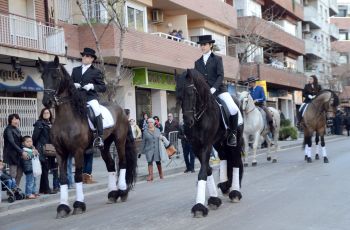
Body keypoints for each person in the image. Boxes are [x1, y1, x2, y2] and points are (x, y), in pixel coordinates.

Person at [194, 35, 240, 146]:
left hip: (219, 89)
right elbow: (197, 79)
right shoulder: (197, 63)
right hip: (204, 93)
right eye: (201, 45)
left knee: (233, 108)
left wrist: (213, 88)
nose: (202, 47)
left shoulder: (217, 59)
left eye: (204, 44)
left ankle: (232, 134)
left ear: (210, 45)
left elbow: (220, 76)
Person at [72, 47, 106, 148]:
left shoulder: (96, 71)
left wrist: (92, 86)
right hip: (77, 98)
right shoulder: (75, 70)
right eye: (83, 55)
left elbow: (103, 87)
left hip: (90, 98)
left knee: (96, 111)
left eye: (87, 56)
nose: (84, 57)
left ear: (92, 59)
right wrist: (73, 84)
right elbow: (69, 83)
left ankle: (100, 137)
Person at [32, 108, 58, 194]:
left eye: (48, 112)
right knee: (45, 168)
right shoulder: (39, 123)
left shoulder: (51, 123)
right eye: (45, 113)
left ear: (50, 114)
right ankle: (46, 189)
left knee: (46, 168)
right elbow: (35, 137)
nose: (46, 114)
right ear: (42, 114)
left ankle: (42, 189)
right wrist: (35, 147)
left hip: (50, 148)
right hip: (42, 148)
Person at [3, 114, 24, 186]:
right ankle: (11, 192)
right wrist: (21, 151)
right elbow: (12, 142)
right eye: (14, 119)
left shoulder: (17, 129)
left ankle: (16, 189)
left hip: (18, 154)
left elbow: (21, 141)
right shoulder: (8, 129)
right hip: (11, 155)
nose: (16, 121)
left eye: (17, 119)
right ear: (10, 120)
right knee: (13, 174)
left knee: (20, 173)